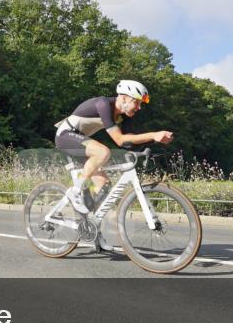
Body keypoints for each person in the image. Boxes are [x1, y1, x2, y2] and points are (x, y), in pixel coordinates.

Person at [54, 80, 174, 253]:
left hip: (81, 142)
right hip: (66, 136)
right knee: (103, 152)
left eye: (140, 104)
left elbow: (127, 141)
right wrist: (153, 134)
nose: (139, 107)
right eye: (137, 102)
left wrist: (148, 146)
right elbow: (118, 139)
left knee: (103, 186)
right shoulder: (103, 104)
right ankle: (75, 191)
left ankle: (92, 229)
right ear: (124, 98)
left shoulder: (122, 115)